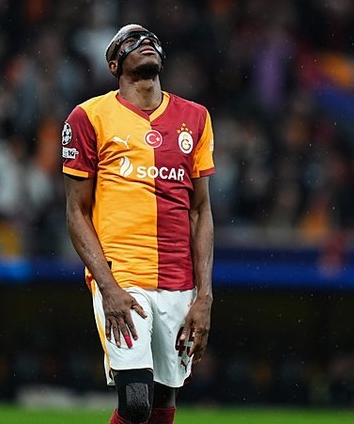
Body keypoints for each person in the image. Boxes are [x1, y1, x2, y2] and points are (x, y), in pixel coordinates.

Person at [63, 24, 215, 424]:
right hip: (123, 277)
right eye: (131, 41)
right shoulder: (88, 117)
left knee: (163, 403)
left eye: (151, 40)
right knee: (135, 403)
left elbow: (201, 210)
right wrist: (107, 287)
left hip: (179, 282)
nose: (145, 42)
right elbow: (76, 211)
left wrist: (204, 297)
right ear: (114, 64)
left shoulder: (196, 118)